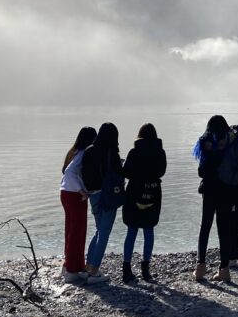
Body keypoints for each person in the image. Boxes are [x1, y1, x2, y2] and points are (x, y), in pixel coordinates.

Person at [192, 115, 238, 283]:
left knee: (205, 227)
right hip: (228, 190)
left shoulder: (207, 141)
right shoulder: (235, 141)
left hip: (210, 191)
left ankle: (200, 268)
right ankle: (224, 270)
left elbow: (202, 171)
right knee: (224, 229)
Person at [121, 123, 167, 283]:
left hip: (134, 192)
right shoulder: (160, 152)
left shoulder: (134, 151)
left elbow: (126, 172)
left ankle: (126, 269)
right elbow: (162, 172)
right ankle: (145, 269)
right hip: (153, 192)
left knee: (131, 230)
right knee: (149, 230)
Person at [81, 122, 124, 282]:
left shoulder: (89, 150)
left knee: (99, 230)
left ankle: (87, 268)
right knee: (104, 234)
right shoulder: (111, 152)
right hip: (107, 196)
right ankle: (94, 271)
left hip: (93, 195)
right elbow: (119, 173)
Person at [59, 126, 97, 284]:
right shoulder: (82, 154)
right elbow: (68, 172)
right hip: (75, 196)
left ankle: (70, 264)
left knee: (71, 230)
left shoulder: (73, 151)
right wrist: (81, 190)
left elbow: (65, 172)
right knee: (77, 231)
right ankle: (72, 271)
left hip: (66, 193)